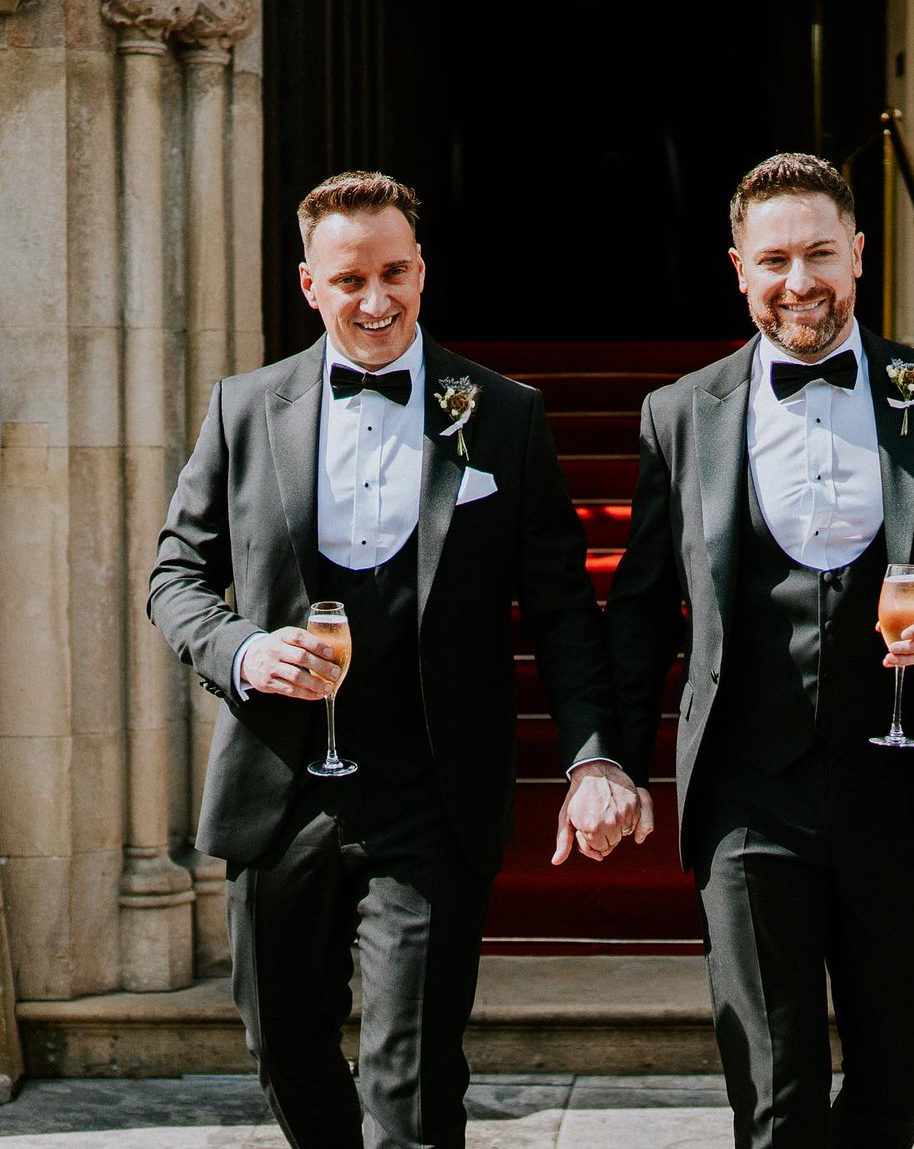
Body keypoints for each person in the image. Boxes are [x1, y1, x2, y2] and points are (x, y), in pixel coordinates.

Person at [148, 170, 645, 1149]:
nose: (376, 302)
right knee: (282, 1044)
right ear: (308, 286)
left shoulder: (503, 415)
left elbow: (561, 613)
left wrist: (594, 754)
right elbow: (176, 577)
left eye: (395, 274)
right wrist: (243, 649)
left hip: (430, 787)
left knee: (412, 1077)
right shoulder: (245, 409)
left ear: (423, 270)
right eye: (349, 282)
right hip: (279, 785)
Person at [606, 153, 914, 1148]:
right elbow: (641, 607)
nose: (800, 283)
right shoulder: (680, 415)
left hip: (898, 781)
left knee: (910, 1054)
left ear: (862, 256)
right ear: (739, 269)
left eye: (821, 255)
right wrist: (609, 759)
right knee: (776, 1088)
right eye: (776, 260)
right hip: (750, 795)